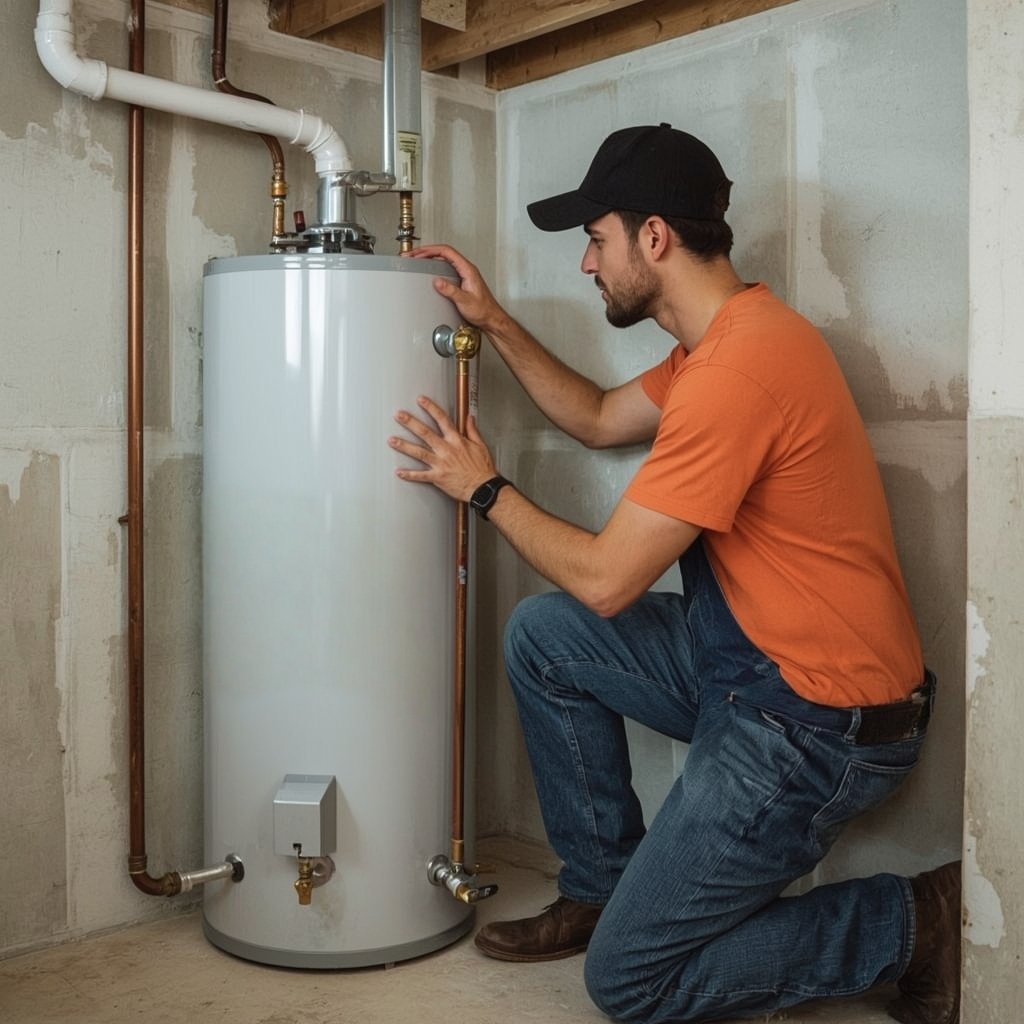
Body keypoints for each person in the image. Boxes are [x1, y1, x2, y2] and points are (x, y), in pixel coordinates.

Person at [388, 123, 960, 1024]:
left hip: (814, 723)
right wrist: (493, 319)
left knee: (629, 982)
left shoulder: (740, 371)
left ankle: (916, 922)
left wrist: (485, 488)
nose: (586, 264)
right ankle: (603, 887)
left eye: (595, 238)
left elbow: (610, 580)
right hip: (751, 669)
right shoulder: (716, 346)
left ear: (653, 237)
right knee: (545, 639)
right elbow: (597, 415)